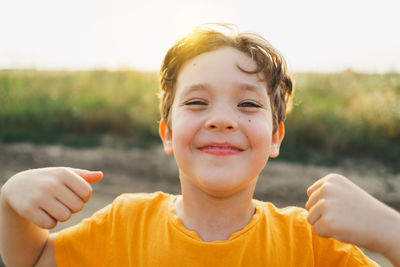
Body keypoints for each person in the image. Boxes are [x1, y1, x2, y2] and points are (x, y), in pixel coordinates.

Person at [0, 23, 399, 267]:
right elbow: (33, 260)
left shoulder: (311, 244)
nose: (221, 119)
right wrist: (10, 204)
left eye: (247, 104)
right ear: (168, 134)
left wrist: (389, 229)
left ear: (276, 136)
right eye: (196, 102)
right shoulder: (125, 224)